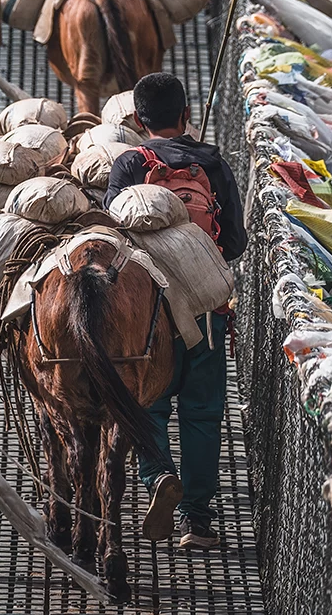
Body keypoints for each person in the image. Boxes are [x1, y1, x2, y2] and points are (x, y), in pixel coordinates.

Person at [103, 72, 247, 551]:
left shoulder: (127, 165)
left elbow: (112, 242)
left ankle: (159, 476)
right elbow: (236, 243)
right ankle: (198, 523)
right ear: (186, 114)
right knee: (203, 414)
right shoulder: (212, 163)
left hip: (149, 317)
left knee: (149, 406)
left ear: (139, 120)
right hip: (207, 310)